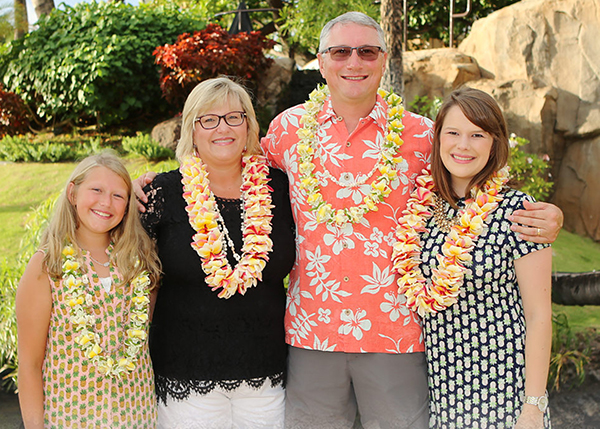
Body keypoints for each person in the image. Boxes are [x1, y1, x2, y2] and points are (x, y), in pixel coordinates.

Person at [135, 13, 563, 428]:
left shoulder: (422, 135)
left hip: (395, 333)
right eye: (340, 52)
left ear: (383, 58)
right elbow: (232, 166)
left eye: (366, 52)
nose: (353, 62)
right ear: (321, 62)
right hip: (311, 335)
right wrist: (158, 185)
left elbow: (473, 183)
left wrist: (548, 214)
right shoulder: (288, 129)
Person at [139, 77, 295, 428]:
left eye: (233, 117)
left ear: (249, 125)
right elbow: (137, 278)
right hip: (186, 377)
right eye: (208, 119)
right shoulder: (160, 194)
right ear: (192, 130)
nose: (222, 128)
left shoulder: (280, 188)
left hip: (267, 375)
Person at [392, 87, 552, 428]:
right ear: (437, 139)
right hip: (440, 395)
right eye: (453, 133)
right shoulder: (422, 208)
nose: (463, 145)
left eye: (477, 135)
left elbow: (539, 315)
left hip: (504, 397)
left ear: (494, 143)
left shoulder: (518, 211)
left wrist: (533, 407)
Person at [16, 152, 161, 428]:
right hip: (70, 418)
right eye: (96, 190)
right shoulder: (48, 266)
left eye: (119, 195)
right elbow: (30, 366)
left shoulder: (139, 264)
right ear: (73, 193)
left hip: (137, 417)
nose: (106, 203)